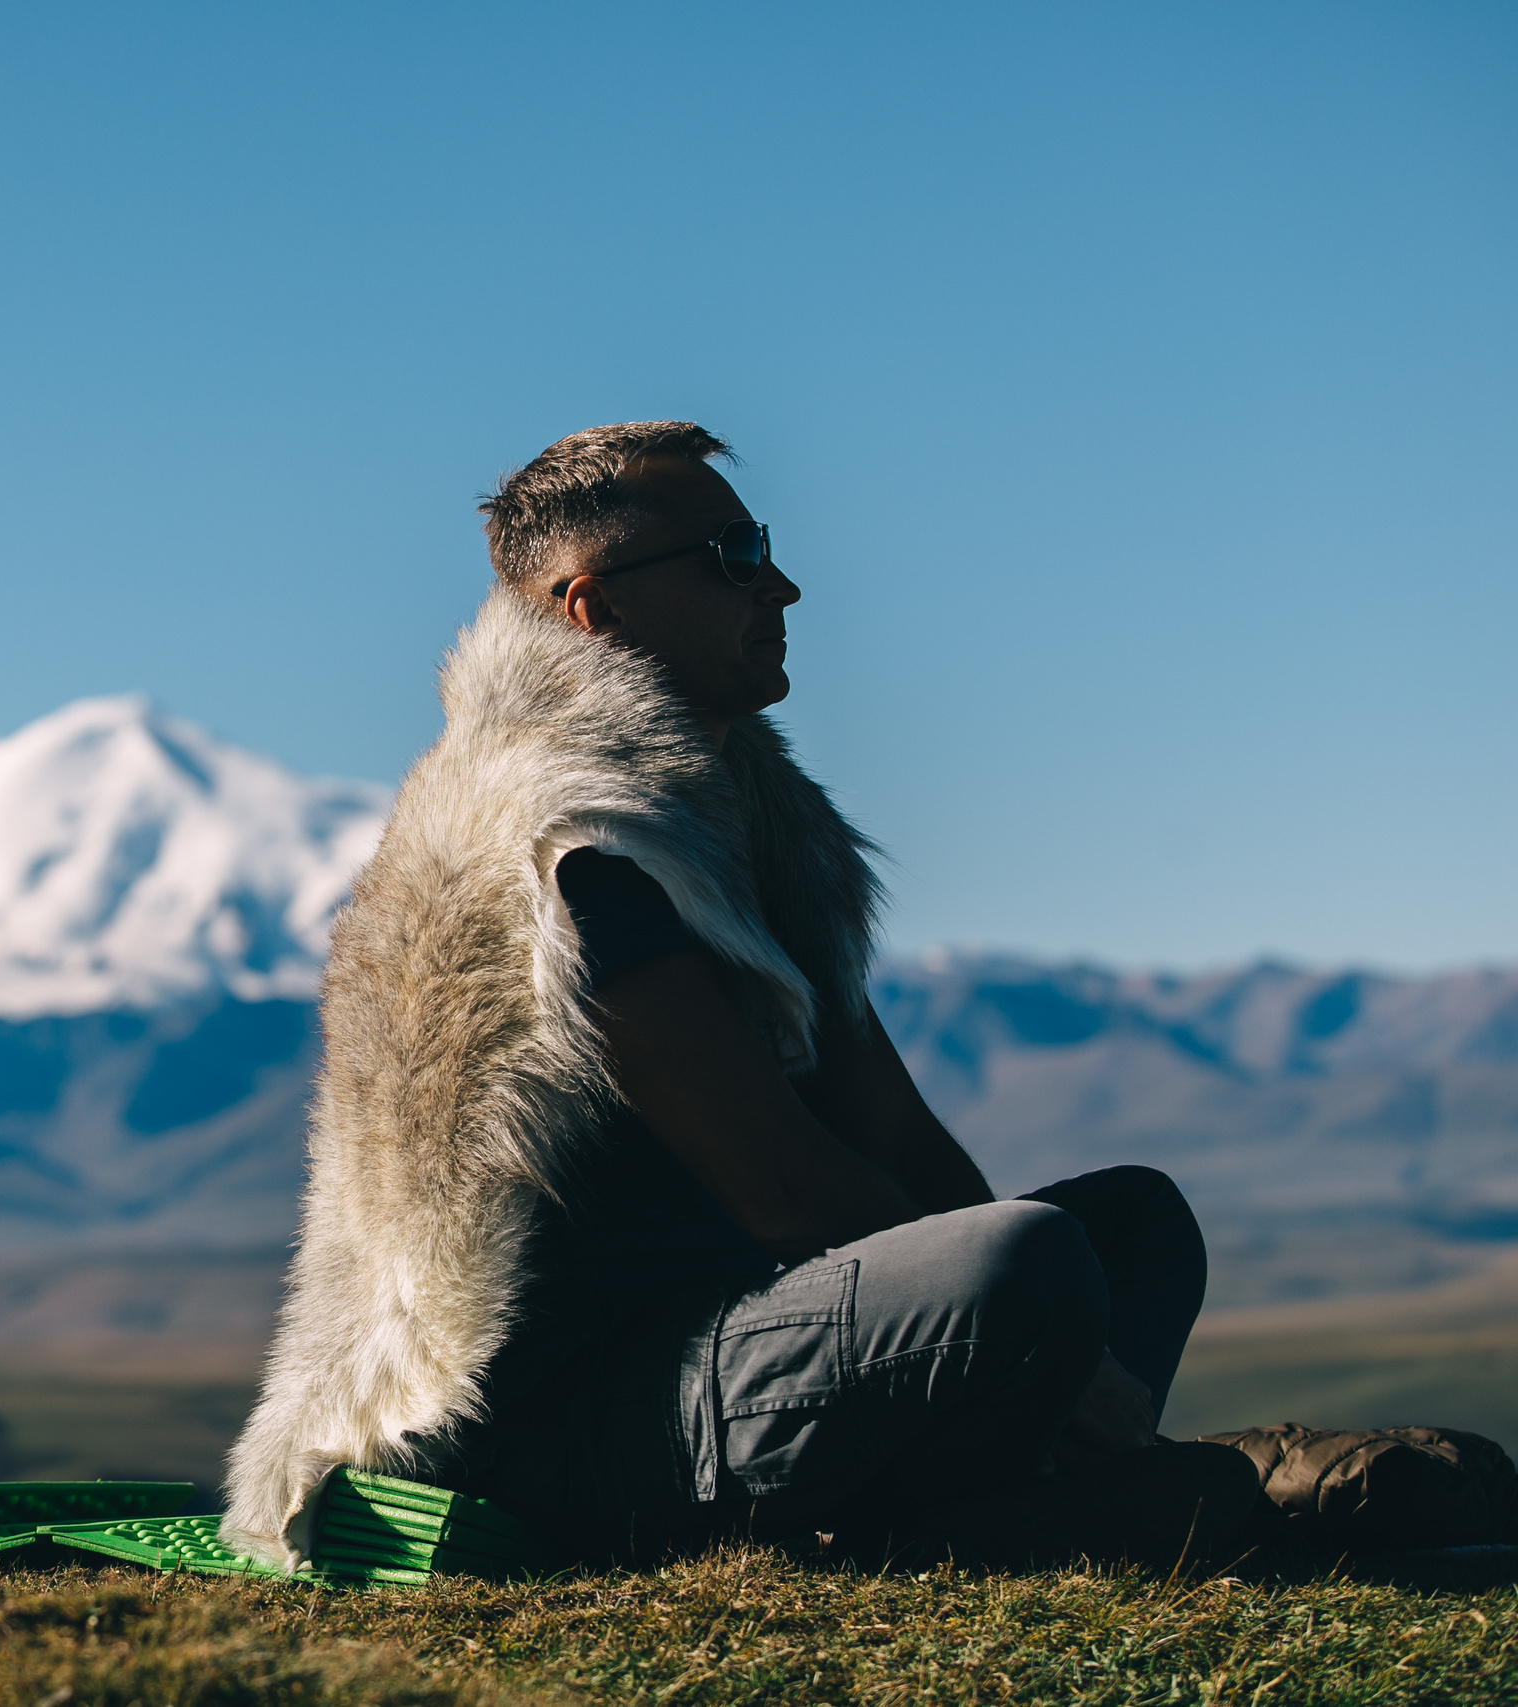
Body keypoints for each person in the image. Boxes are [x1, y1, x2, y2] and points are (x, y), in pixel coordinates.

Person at [220, 422, 1256, 1572]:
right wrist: (1045, 1336)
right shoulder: (567, 840)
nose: (782, 585)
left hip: (741, 1337)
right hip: (563, 1415)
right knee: (1021, 1266)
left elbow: (897, 1136)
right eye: (731, 553)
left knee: (1126, 1227)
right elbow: (786, 1189)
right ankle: (1044, 1511)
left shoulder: (751, 827)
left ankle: (1007, 1509)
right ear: (593, 608)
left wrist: (1065, 1352)